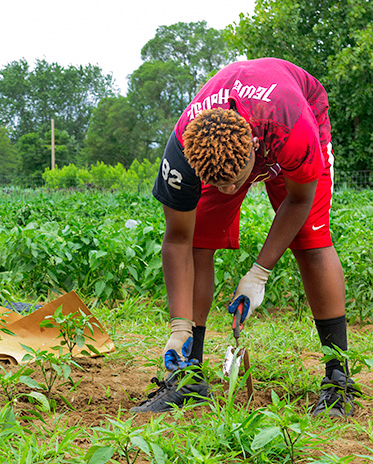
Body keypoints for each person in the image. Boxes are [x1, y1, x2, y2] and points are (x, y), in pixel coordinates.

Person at [131, 57, 360, 417]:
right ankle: (189, 376)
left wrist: (258, 275)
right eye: (217, 183)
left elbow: (300, 200)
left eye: (235, 181)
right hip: (235, 133)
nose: (227, 190)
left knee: (310, 239)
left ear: (254, 148)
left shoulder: (293, 128)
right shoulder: (184, 151)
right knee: (197, 243)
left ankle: (337, 378)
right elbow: (176, 241)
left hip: (292, 112)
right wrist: (179, 326)